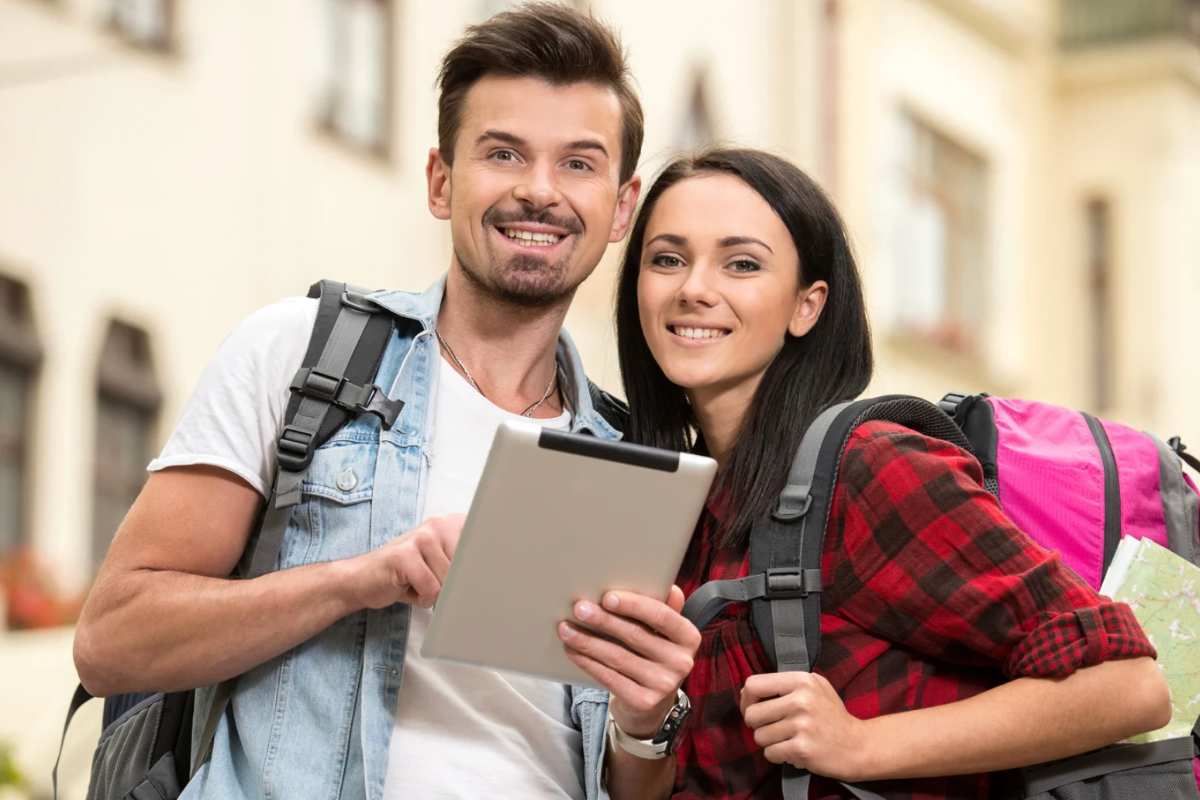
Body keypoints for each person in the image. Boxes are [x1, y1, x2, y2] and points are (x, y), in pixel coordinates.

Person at [72, 5, 700, 799]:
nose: (539, 191)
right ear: (441, 181)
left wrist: (645, 721)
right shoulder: (299, 352)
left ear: (619, 207)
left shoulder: (633, 458)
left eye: (578, 163)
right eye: (503, 153)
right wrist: (360, 580)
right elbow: (110, 640)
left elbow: (624, 780)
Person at [564, 148, 1171, 798]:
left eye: (741, 263)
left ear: (808, 305)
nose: (694, 288)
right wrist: (641, 723)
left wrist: (858, 744)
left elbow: (1129, 685)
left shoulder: (869, 468)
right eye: (668, 259)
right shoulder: (676, 514)